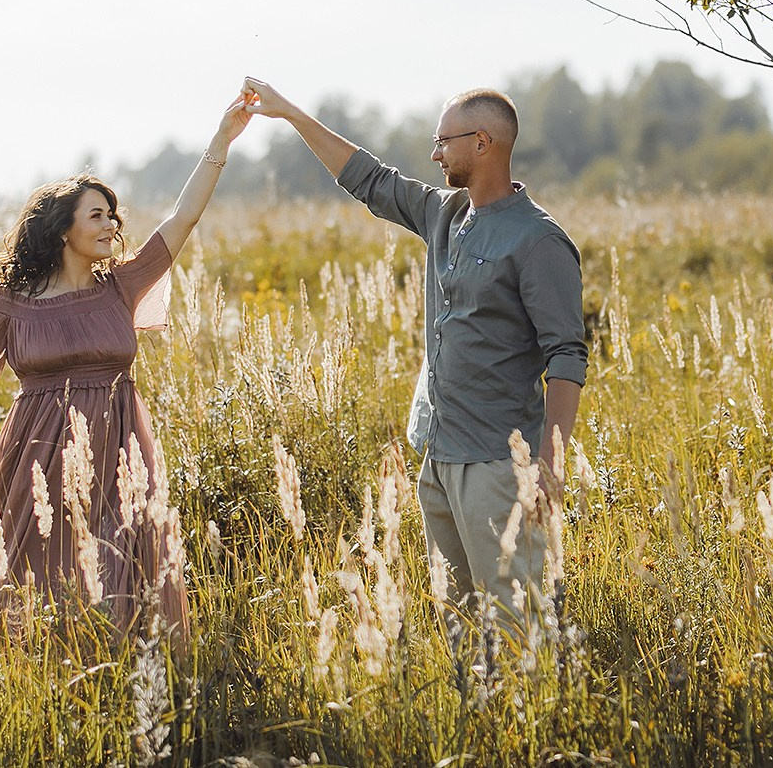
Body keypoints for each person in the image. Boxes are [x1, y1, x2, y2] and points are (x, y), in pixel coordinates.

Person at [0, 98, 253, 647]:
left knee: (121, 578)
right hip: (39, 458)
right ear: (62, 228)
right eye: (96, 214)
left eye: (111, 215)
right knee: (38, 587)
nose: (110, 224)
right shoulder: (13, 304)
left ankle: (123, 690)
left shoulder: (121, 284)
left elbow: (183, 217)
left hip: (121, 454)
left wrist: (222, 139)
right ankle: (45, 696)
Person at [239, 77, 587, 639]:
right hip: (439, 459)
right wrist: (291, 115)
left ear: (482, 143)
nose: (434, 153)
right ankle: (480, 720)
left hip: (500, 465)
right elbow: (368, 179)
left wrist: (550, 462)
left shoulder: (538, 241)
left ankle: (534, 722)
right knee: (457, 624)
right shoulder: (444, 214)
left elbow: (567, 356)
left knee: (517, 620)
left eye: (442, 141)